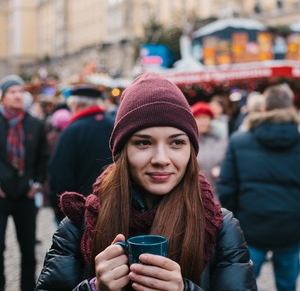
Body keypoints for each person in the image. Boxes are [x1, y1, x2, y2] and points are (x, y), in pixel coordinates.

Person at [36, 72, 256, 290]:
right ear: (122, 152)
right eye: (143, 143)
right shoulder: (79, 224)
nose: (161, 159)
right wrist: (93, 288)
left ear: (191, 151)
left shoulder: (222, 227)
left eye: (177, 143)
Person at [217, 83, 300, 291]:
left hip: (251, 226)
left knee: (244, 283)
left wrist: (238, 217)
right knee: (287, 284)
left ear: (264, 108)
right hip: (291, 226)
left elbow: (226, 186)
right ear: (290, 108)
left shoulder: (239, 142)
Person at [0, 74, 48, 291]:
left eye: (20, 91)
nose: (18, 95)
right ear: (2, 97)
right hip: (1, 196)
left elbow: (43, 158)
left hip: (26, 196)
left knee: (28, 249)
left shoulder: (35, 124)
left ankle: (27, 287)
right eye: (12, 91)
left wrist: (37, 184)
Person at [48, 86, 114, 225]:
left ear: (76, 105)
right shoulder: (113, 125)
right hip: (113, 205)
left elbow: (60, 173)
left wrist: (59, 206)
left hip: (81, 210)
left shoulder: (72, 131)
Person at [192, 101, 228, 197]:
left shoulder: (220, 139)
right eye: (199, 118)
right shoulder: (189, 141)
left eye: (205, 118)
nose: (202, 122)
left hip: (217, 192)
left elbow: (227, 160)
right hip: (195, 192)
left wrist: (222, 169)